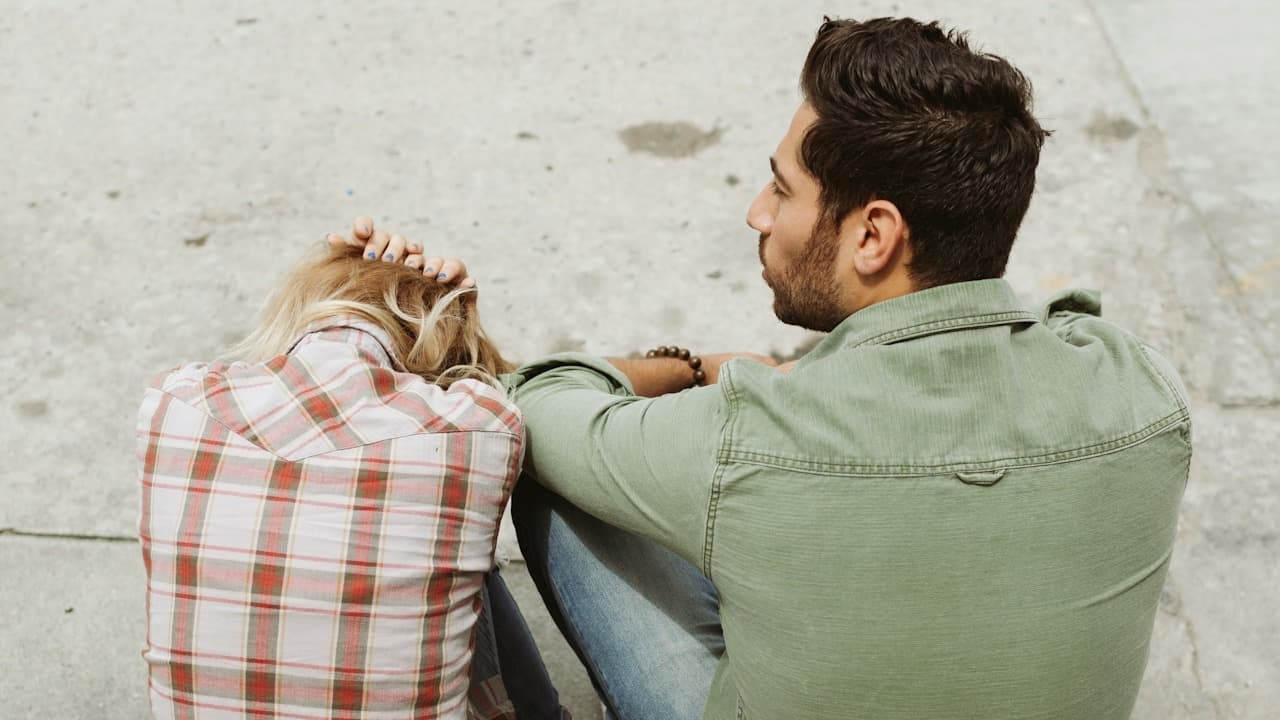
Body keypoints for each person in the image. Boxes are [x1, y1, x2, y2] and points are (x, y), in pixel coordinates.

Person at [342, 16, 1191, 720]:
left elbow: (533, 400)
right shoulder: (1144, 391)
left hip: (743, 481)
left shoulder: (754, 432)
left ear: (873, 235)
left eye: (781, 190)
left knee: (562, 479)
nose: (757, 211)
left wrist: (699, 367)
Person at [136, 243, 567, 719]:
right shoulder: (475, 430)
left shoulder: (176, 404)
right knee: (454, 545)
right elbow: (505, 398)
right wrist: (460, 315)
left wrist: (342, 272)